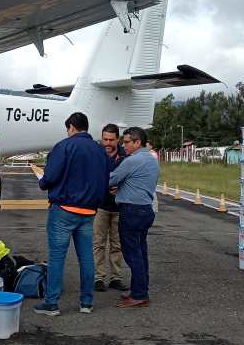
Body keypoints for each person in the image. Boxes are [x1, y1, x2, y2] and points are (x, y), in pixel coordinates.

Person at [34, 112, 109, 316]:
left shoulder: (64, 146)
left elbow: (50, 176)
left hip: (64, 209)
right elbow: (105, 179)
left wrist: (42, 182)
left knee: (57, 257)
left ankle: (52, 303)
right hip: (89, 211)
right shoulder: (99, 150)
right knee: (86, 258)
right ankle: (86, 302)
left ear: (72, 127)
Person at [110, 127, 160, 308]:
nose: (124, 145)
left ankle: (139, 294)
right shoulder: (152, 160)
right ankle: (140, 289)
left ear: (137, 142)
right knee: (141, 252)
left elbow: (112, 179)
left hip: (131, 211)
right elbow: (138, 182)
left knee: (132, 254)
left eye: (126, 142)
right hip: (145, 209)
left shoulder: (132, 160)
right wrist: (123, 187)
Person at [94, 124, 127, 293]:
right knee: (98, 244)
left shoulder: (126, 156)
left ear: (118, 140)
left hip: (119, 207)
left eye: (111, 140)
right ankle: (98, 277)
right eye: (105, 139)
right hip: (100, 206)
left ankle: (116, 277)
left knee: (117, 245)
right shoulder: (96, 154)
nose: (107, 143)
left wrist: (121, 188)